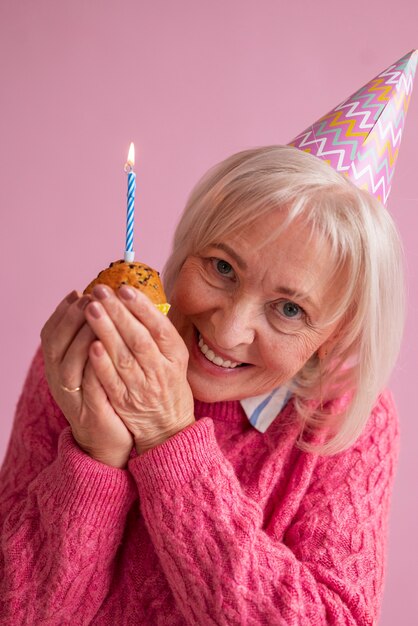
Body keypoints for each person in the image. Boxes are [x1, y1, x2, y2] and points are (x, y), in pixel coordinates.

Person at [1, 48, 416, 624]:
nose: (228, 327)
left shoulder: (346, 420)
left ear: (335, 333)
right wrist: (96, 457)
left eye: (289, 309)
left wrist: (170, 442)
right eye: (221, 268)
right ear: (186, 248)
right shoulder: (89, 353)